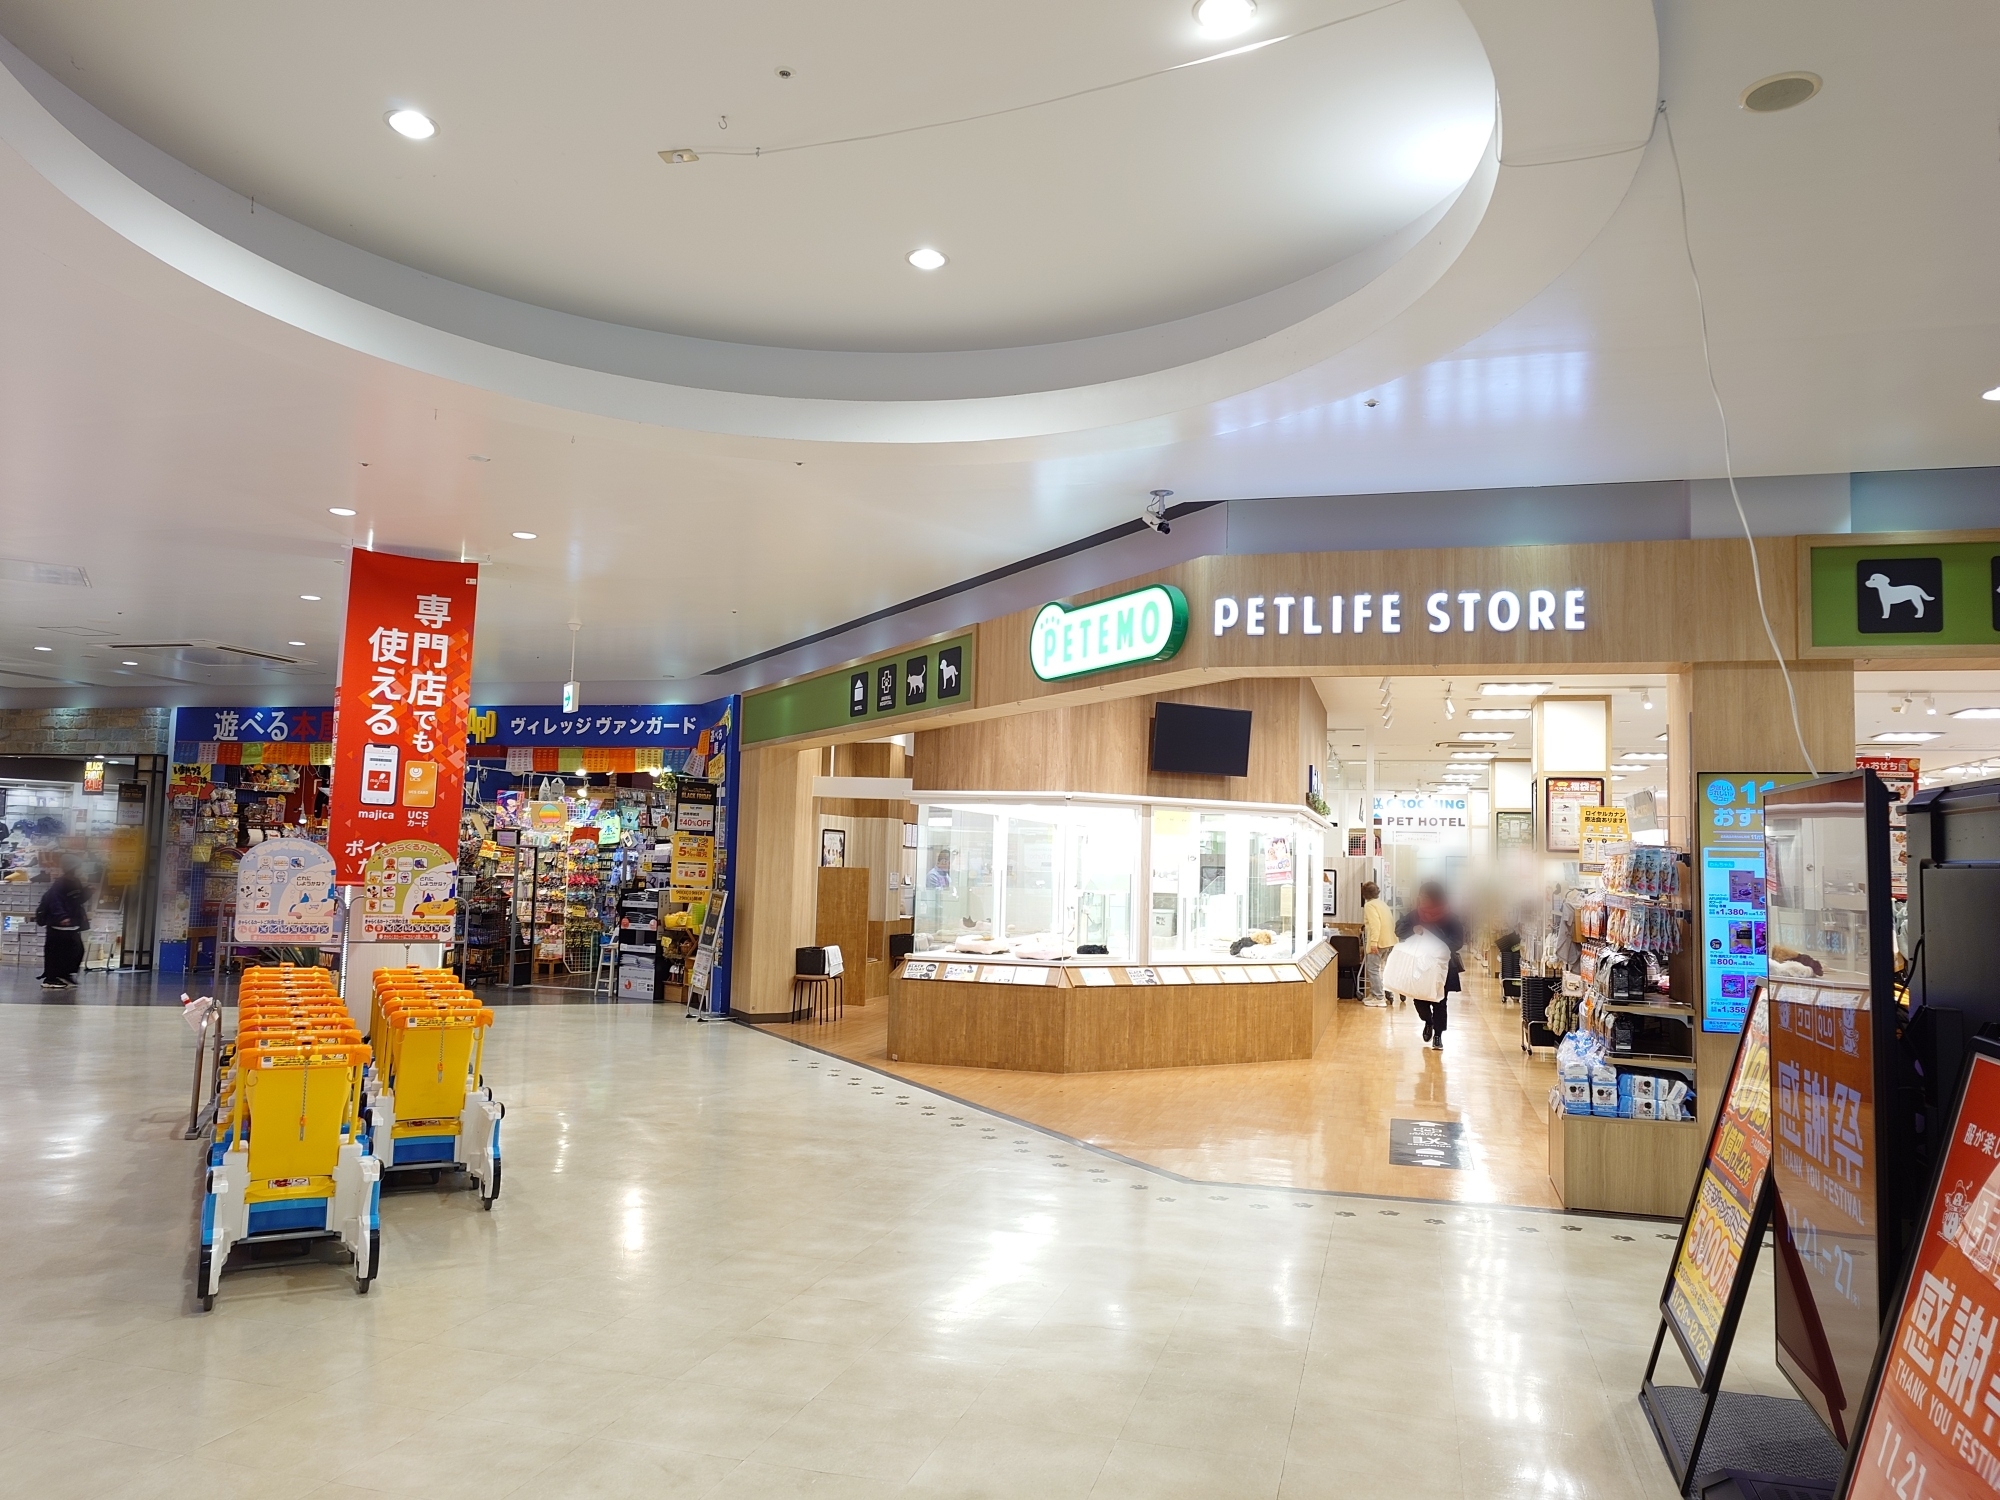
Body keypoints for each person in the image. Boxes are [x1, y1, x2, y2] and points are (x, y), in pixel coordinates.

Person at [1395, 880, 1464, 1050]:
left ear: (1434, 898)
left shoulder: (1450, 918)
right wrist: (1413, 930)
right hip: (1420, 965)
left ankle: (1438, 1035)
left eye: (1424, 896)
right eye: (1420, 896)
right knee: (1419, 1000)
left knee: (1440, 1000)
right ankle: (1428, 1021)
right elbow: (1398, 930)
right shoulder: (1415, 915)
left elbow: (1458, 942)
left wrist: (1437, 942)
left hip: (1442, 966)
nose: (1421, 899)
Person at [34, 857, 91, 990]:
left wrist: (87, 893)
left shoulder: (76, 882)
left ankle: (65, 974)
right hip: (58, 924)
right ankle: (51, 978)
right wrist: (62, 916)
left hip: (72, 923)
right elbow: (55, 901)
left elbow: (77, 900)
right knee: (56, 951)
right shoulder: (60, 883)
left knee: (76, 950)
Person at [1360, 882, 1395, 1007]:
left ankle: (1379, 997)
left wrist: (1373, 943)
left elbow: (1375, 925)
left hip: (1378, 942)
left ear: (1364, 894)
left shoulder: (1369, 905)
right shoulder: (1382, 904)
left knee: (1373, 969)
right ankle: (1374, 994)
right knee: (1381, 969)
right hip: (1389, 941)